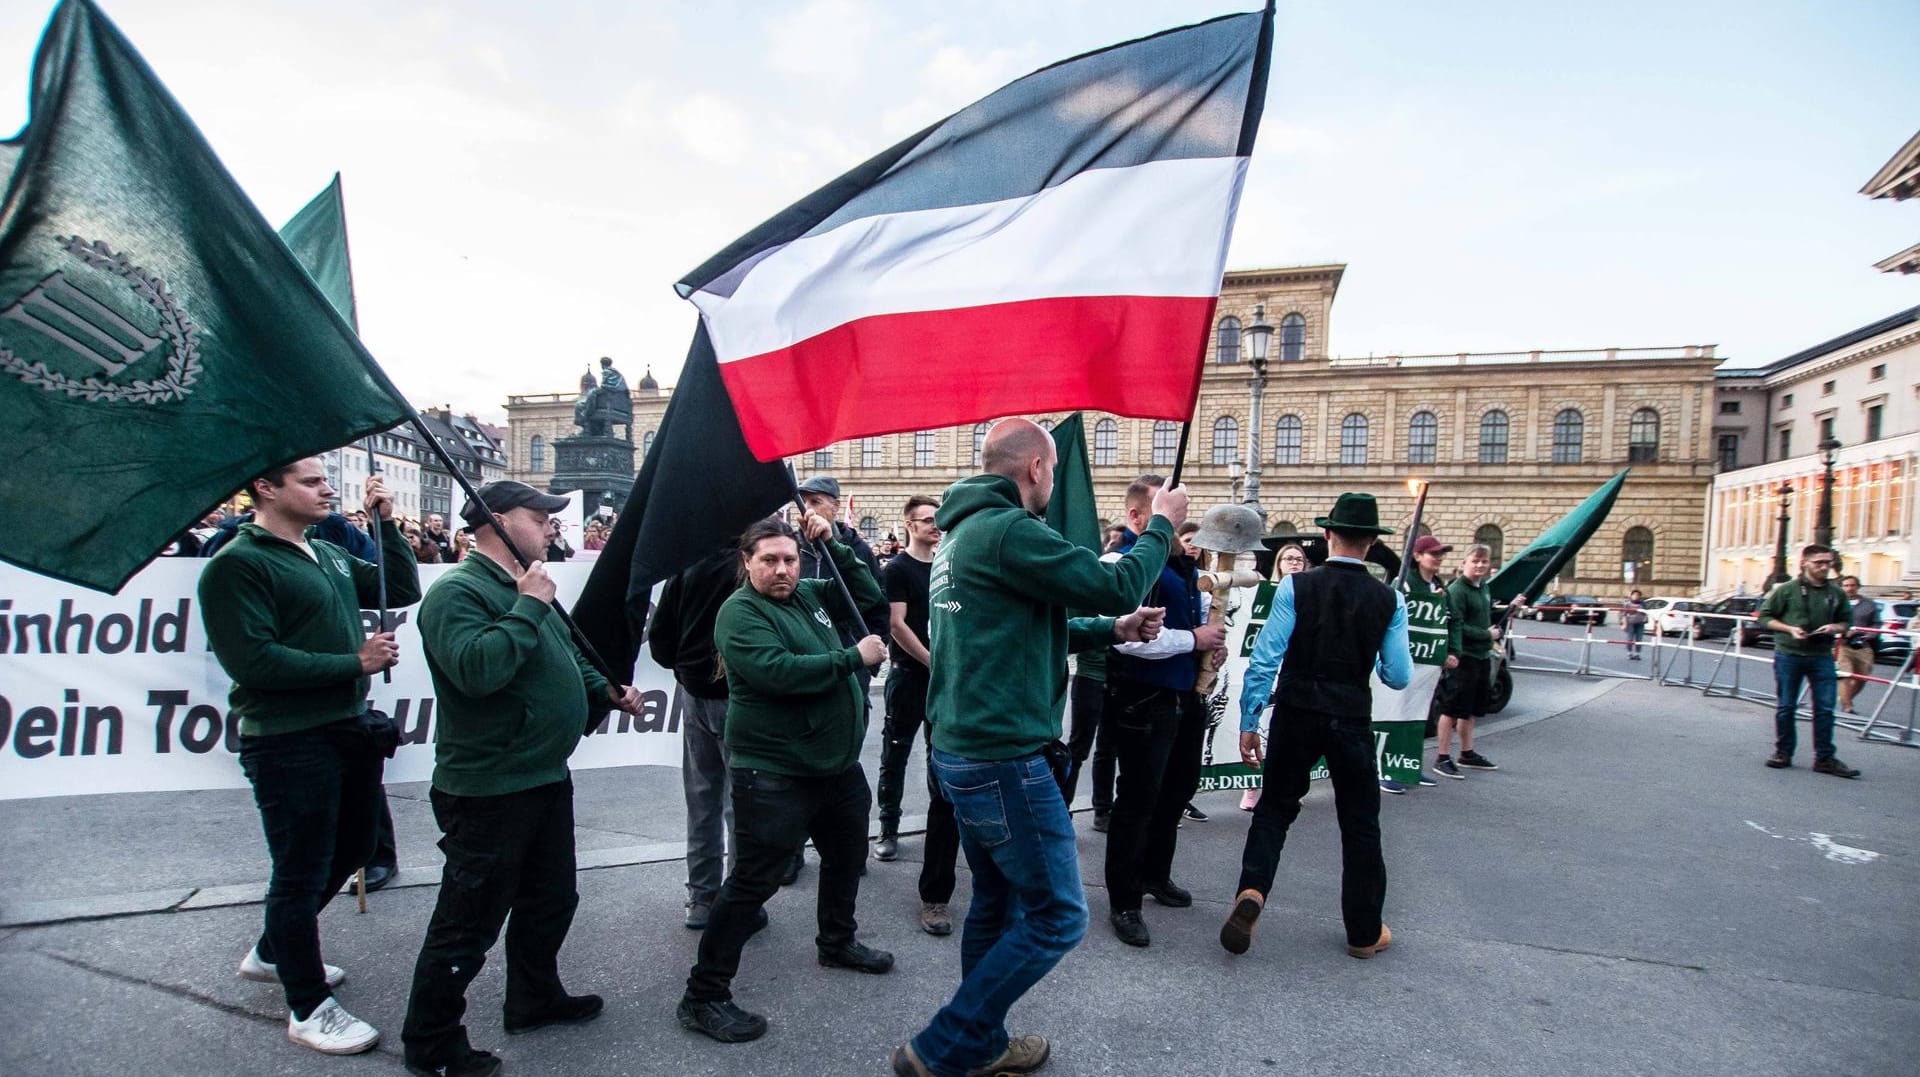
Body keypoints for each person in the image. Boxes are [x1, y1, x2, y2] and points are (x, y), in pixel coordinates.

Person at [891, 419, 1181, 1077]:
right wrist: (1160, 523)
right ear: (1036, 469)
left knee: (996, 902)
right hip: (1003, 757)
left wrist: (1115, 627)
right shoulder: (1009, 528)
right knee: (1057, 915)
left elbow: (1028, 626)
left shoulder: (962, 533)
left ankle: (983, 1042)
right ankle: (945, 1043)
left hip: (966, 750)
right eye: (1049, 468)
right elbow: (1116, 579)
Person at [401, 481, 643, 1077]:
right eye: (540, 518)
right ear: (499, 521)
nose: (551, 528)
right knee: (468, 922)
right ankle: (430, 1043)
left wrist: (603, 690)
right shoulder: (458, 592)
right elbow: (478, 669)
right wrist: (529, 604)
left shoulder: (527, 583)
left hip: (541, 776)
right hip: (489, 787)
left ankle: (533, 997)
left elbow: (569, 653)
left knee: (551, 898)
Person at [198, 458, 421, 1056]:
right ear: (265, 489)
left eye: (327, 480)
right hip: (289, 738)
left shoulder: (324, 551)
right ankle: (307, 1005)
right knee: (298, 870)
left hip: (345, 727)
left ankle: (274, 950)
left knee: (352, 849)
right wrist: (355, 664)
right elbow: (254, 662)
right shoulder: (238, 564)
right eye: (310, 481)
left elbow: (400, 589)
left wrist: (386, 526)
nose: (326, 489)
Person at [679, 515, 894, 1045]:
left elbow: (869, 597)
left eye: (790, 559)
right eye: (769, 560)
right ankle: (703, 995)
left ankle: (837, 941)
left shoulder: (809, 595)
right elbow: (778, 671)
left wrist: (836, 543)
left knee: (846, 858)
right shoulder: (739, 613)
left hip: (835, 766)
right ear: (747, 562)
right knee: (754, 880)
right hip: (774, 771)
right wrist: (853, 657)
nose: (782, 569)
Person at [1219, 493, 1412, 959]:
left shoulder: (1295, 587)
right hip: (1350, 718)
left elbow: (1266, 660)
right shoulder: (1389, 599)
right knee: (1360, 824)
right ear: (1370, 543)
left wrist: (1249, 721)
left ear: (1327, 536)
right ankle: (1364, 932)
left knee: (1273, 811)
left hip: (1296, 712)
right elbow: (1398, 675)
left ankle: (1253, 892)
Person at [1101, 479, 1222, 948]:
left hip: (1180, 697)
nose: (1181, 521)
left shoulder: (1176, 564)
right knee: (1137, 800)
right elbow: (1134, 638)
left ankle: (1155, 873)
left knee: (1176, 790)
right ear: (1138, 518)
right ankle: (1123, 900)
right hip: (1142, 697)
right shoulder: (1119, 563)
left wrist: (1208, 648)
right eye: (1172, 512)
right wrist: (1195, 639)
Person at [874, 497, 963, 937]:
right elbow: (896, 624)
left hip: (941, 680)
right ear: (910, 524)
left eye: (938, 521)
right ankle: (887, 828)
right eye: (929, 521)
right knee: (895, 752)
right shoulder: (897, 570)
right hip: (910, 676)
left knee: (939, 759)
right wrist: (932, 660)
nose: (936, 527)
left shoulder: (947, 566)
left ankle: (937, 837)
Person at [650, 542, 747, 930]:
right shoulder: (747, 567)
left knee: (703, 799)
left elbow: (660, 641)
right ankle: (739, 901)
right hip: (736, 696)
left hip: (694, 694)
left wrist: (686, 668)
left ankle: (702, 897)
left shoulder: (686, 562)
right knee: (741, 802)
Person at [1758, 546, 1860, 777]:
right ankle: (1783, 752)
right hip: (1789, 654)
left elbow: (1846, 622)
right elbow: (1764, 616)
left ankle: (1824, 758)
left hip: (1821, 655)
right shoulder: (1787, 590)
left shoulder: (1836, 593)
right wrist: (1789, 629)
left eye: (1828, 563)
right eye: (1819, 563)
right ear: (1805, 562)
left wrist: (1835, 627)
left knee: (1825, 708)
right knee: (1786, 706)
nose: (1825, 567)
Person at [1242, 542, 1311, 810]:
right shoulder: (1265, 592)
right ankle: (1251, 786)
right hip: (1267, 666)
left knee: (1288, 733)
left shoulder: (1309, 592)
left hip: (1294, 669)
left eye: (1299, 559)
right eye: (1288, 559)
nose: (1294, 563)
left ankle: (1288, 784)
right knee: (1258, 728)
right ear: (1278, 564)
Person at [1432, 543, 1500, 779]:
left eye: (1484, 561)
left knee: (1470, 709)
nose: (1480, 565)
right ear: (1464, 564)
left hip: (1482, 655)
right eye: (1475, 561)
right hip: (1464, 657)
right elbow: (1457, 625)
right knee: (1451, 708)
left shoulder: (1484, 588)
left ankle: (1467, 752)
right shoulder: (1458, 590)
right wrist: (1486, 635)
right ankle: (1442, 756)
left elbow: (1483, 618)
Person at [1399, 535, 1453, 790]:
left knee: (1418, 715)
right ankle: (1386, 767)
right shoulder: (1405, 585)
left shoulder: (1438, 588)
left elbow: (1450, 623)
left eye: (1441, 554)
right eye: (1434, 554)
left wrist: (1451, 651)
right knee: (1394, 713)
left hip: (1428, 663)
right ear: (1418, 556)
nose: (1439, 558)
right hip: (1405, 661)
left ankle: (1410, 765)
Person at [1835, 575, 1878, 716]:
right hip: (1842, 644)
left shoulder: (1869, 604)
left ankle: (1845, 698)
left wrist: (1869, 634)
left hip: (1862, 644)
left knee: (1862, 677)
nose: (1849, 588)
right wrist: (1843, 631)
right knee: (1845, 674)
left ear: (1858, 587)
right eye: (1846, 586)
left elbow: (1876, 623)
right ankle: (1847, 707)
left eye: (1852, 585)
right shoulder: (1836, 602)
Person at [1622, 589, 1648, 660]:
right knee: (1630, 639)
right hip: (1630, 623)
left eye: (1638, 595)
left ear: (1640, 596)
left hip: (1640, 623)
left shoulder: (1643, 603)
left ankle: (1637, 654)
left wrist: (1645, 618)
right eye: (1634, 595)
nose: (1636, 596)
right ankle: (1629, 653)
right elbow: (1624, 614)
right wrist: (1624, 624)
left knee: (1639, 639)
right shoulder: (1627, 604)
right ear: (1631, 596)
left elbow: (1646, 612)